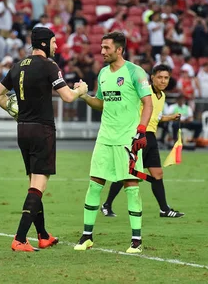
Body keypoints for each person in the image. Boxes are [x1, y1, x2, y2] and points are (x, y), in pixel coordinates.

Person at [0, 27, 88, 252]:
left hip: (22, 130)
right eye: (54, 42)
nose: (57, 46)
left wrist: (13, 109)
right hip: (42, 130)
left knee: (34, 183)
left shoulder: (17, 66)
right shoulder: (49, 66)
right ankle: (20, 238)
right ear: (44, 43)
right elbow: (67, 97)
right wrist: (81, 90)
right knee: (38, 186)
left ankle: (43, 235)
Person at [72, 31, 153, 254]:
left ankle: (136, 240)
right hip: (105, 137)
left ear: (119, 49)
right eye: (101, 47)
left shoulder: (136, 72)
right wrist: (84, 96)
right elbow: (101, 103)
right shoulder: (103, 73)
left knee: (131, 187)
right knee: (95, 183)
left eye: (107, 48)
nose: (102, 51)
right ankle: (87, 236)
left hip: (128, 138)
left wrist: (141, 131)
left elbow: (148, 104)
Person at [100, 64, 185, 220]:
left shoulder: (163, 96)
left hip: (151, 137)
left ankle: (164, 209)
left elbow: (155, 117)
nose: (163, 81)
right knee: (127, 173)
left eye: (166, 78)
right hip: (138, 136)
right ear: (152, 78)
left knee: (157, 173)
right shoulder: (143, 93)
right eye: (160, 77)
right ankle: (107, 204)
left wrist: (170, 117)